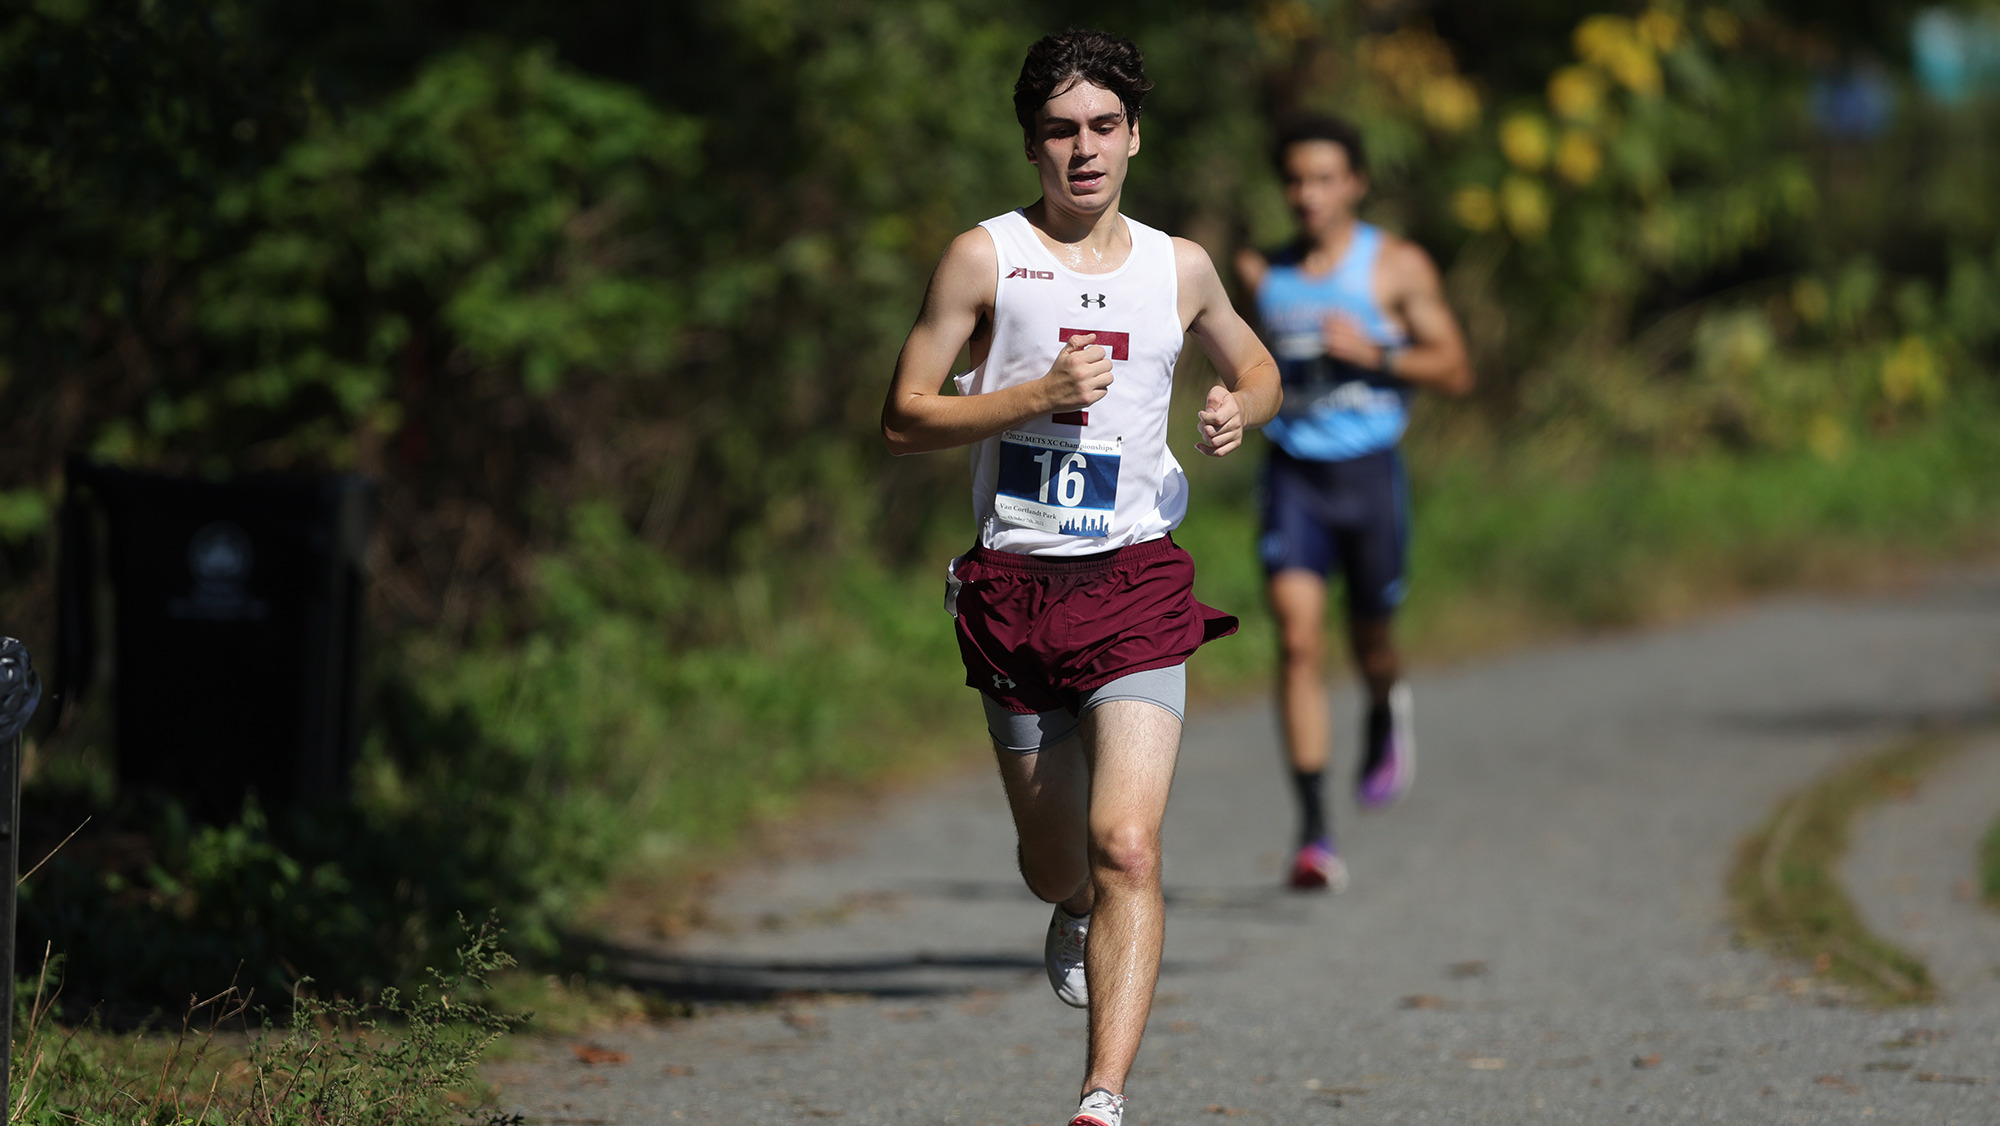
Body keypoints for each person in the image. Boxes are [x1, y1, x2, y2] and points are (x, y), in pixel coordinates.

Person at [881, 29, 1280, 1126]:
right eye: (1060, 130)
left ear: (1134, 135)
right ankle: (1068, 905)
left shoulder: (1176, 265)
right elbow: (904, 414)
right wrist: (1028, 396)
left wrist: (1238, 403)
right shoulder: (983, 257)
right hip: (1014, 590)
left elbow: (1254, 362)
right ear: (1030, 146)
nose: (1084, 149)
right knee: (1057, 858)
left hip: (1136, 581)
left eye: (1103, 125)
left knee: (1128, 843)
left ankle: (1102, 1097)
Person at [1234, 114, 1474, 892]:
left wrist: (1377, 352)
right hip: (1294, 477)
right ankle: (1313, 834)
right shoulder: (1260, 273)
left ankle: (1383, 702)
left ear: (1355, 183)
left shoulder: (1396, 266)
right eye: (1296, 180)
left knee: (1373, 639)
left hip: (1369, 475)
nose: (1308, 194)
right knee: (1298, 642)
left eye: (1324, 178)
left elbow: (1456, 368)